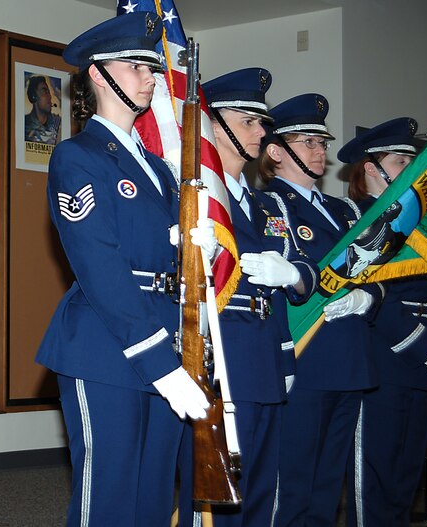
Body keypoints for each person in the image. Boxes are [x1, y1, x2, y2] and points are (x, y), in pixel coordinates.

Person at [35, 12, 210, 527]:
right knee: (108, 501)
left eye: (152, 68)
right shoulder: (77, 156)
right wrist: (160, 360)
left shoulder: (159, 169)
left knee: (153, 502)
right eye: (136, 66)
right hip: (107, 347)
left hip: (167, 341)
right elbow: (100, 264)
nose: (150, 78)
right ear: (98, 73)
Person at [179, 68, 317, 527]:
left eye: (262, 123)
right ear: (213, 125)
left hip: (265, 357)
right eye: (248, 121)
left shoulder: (267, 205)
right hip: (222, 357)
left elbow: (304, 276)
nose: (262, 131)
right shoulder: (196, 198)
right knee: (219, 496)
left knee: (261, 490)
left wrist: (293, 278)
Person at [259, 94, 384, 526]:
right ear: (276, 151)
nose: (320, 151)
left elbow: (377, 273)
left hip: (349, 359)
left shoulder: (344, 210)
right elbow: (282, 275)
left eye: (322, 142)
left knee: (328, 485)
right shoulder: (270, 206)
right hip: (306, 358)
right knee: (292, 482)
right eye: (308, 141)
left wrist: (369, 299)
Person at [339, 117, 427, 526]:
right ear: (371, 167)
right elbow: (373, 299)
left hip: (421, 363)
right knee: (374, 483)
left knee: (404, 482)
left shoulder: (417, 228)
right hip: (382, 361)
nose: (415, 167)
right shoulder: (357, 223)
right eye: (402, 159)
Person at [24, 75, 62, 144]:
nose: (49, 96)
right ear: (33, 96)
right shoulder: (25, 124)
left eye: (49, 93)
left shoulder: (58, 122)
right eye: (44, 92)